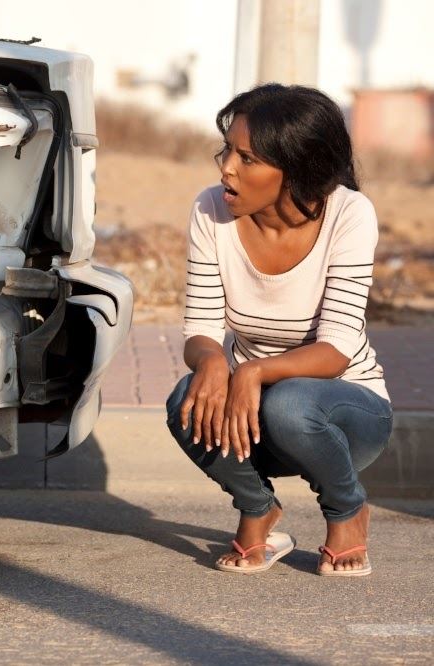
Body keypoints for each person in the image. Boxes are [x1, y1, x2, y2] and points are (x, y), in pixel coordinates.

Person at [165, 84, 392, 576]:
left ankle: (348, 511)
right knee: (186, 401)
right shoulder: (210, 210)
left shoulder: (349, 215)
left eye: (247, 158)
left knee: (289, 402)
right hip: (259, 418)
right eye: (227, 150)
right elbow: (202, 327)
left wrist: (249, 373)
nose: (226, 167)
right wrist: (210, 362)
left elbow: (335, 352)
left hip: (347, 414)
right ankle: (257, 507)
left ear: (296, 170)